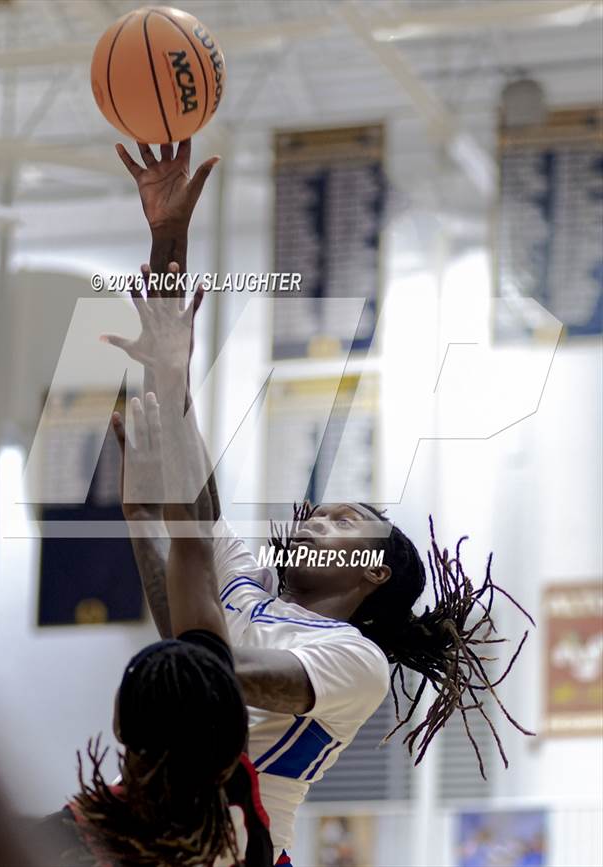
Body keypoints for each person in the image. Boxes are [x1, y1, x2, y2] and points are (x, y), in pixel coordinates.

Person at [106, 140, 534, 864]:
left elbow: (205, 675)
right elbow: (188, 503)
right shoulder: (244, 580)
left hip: (231, 847)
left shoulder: (352, 658)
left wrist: (172, 521)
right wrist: (166, 238)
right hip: (150, 824)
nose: (308, 515)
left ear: (373, 573)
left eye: (340, 518)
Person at [34, 392, 272, 867]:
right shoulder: (233, 809)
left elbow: (193, 553)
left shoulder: (69, 842)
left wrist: (169, 376)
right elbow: (195, 558)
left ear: (118, 721)